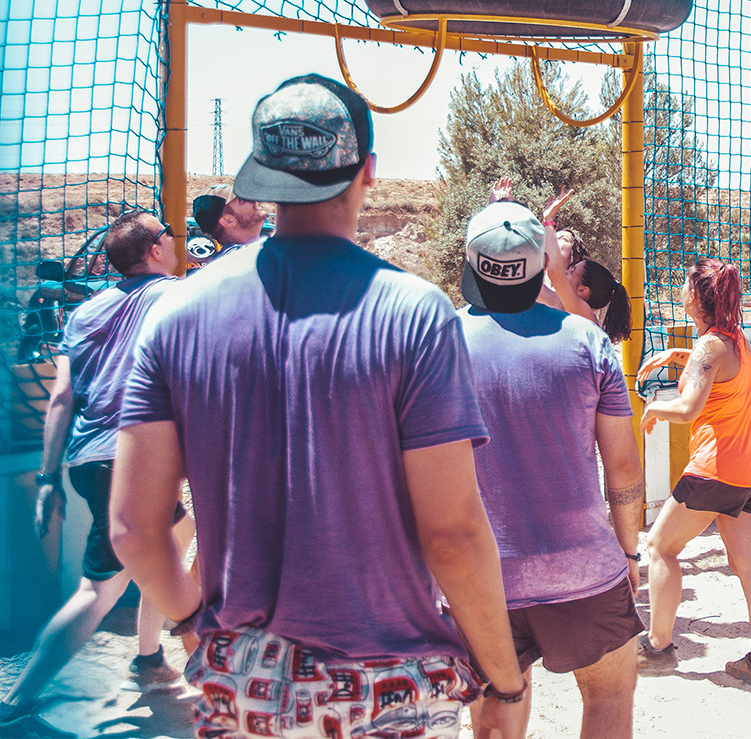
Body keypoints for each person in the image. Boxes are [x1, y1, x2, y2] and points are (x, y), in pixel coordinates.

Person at [112, 74, 528, 739]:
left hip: (245, 685)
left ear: (261, 179)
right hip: (391, 686)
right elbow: (451, 533)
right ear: (367, 170)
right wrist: (504, 682)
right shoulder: (414, 314)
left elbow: (133, 528)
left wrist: (194, 626)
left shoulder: (175, 317)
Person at [458, 197, 647, 736]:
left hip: (480, 572)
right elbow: (624, 468)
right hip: (582, 564)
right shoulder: (587, 340)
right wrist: (629, 549)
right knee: (608, 695)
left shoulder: (438, 342)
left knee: (497, 707)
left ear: (472, 266)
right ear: (541, 266)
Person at [0, 211, 186, 738]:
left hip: (86, 459)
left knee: (175, 535)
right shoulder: (176, 297)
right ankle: (16, 700)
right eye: (166, 234)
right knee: (98, 589)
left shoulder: (84, 313)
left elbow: (61, 398)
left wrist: (47, 478)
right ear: (153, 250)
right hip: (129, 460)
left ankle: (148, 659)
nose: (174, 240)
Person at [637, 258, 751, 689]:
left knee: (661, 548)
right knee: (750, 566)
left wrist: (653, 408)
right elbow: (719, 372)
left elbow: (687, 408)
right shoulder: (734, 338)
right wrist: (680, 353)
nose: (679, 289)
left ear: (697, 296)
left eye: (684, 284)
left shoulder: (708, 347)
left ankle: (658, 647)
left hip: (715, 470)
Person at [491, 179, 630, 342]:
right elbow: (516, 267)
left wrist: (549, 220)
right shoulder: (557, 301)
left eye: (572, 271)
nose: (566, 271)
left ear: (583, 290)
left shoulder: (584, 313)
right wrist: (497, 207)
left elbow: (555, 272)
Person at [185, 185, 266, 272]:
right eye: (242, 200)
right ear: (228, 221)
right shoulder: (240, 259)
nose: (254, 200)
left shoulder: (226, 260)